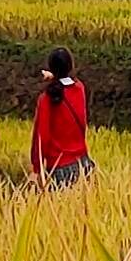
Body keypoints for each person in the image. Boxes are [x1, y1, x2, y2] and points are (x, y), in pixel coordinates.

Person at [29, 48, 91, 188]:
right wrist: (56, 76)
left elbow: (41, 136)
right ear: (71, 66)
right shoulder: (79, 88)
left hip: (60, 167)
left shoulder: (46, 99)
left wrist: (36, 168)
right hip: (83, 162)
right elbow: (69, 81)